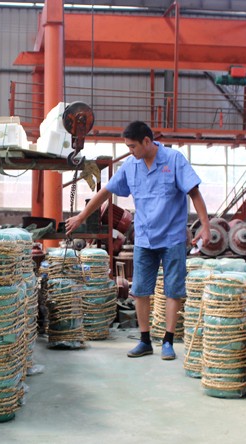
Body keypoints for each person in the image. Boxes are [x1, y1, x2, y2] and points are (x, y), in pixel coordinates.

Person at [65, 121, 211, 360]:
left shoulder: (174, 160)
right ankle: (144, 341)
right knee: (140, 290)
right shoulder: (131, 166)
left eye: (132, 146)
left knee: (173, 290)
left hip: (173, 237)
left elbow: (194, 193)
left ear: (147, 141)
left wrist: (205, 225)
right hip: (144, 237)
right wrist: (81, 217)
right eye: (127, 146)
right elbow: (106, 192)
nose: (130, 151)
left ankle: (168, 341)